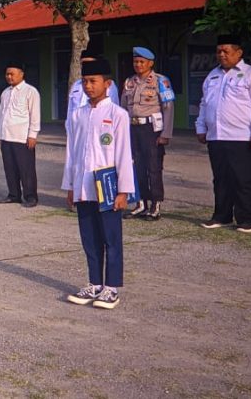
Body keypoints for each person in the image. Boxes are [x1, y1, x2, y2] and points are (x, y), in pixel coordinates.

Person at [63, 58, 134, 310]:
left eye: (93, 81)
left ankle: (111, 288)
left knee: (110, 237)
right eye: (84, 82)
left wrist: (124, 190)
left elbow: (124, 154)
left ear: (107, 83)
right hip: (83, 185)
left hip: (108, 186)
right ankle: (94, 283)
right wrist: (69, 185)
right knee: (90, 238)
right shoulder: (78, 115)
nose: (88, 86)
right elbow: (72, 153)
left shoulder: (118, 115)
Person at [196, 35, 251, 233]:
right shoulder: (212, 75)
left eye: (226, 51)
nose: (221, 55)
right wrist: (201, 127)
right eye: (219, 51)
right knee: (220, 179)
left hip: (241, 136)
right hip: (216, 136)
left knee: (244, 179)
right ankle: (222, 215)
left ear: (238, 52)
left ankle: (248, 219)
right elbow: (204, 103)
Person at [121, 46, 175, 220]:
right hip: (133, 128)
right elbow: (122, 108)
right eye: (135, 62)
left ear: (150, 63)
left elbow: (168, 108)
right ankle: (141, 203)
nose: (138, 65)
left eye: (141, 62)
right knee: (137, 168)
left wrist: (165, 133)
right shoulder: (130, 82)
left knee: (154, 168)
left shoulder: (160, 81)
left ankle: (155, 204)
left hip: (151, 130)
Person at [0, 62, 41, 207]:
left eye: (12, 74)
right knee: (10, 167)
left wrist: (32, 134)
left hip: (22, 137)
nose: (9, 77)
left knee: (26, 168)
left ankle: (30, 196)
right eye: (7, 74)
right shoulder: (5, 92)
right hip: (6, 135)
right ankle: (14, 194)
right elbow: (1, 113)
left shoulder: (30, 91)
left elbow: (35, 115)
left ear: (21, 74)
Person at [66, 53, 119, 133]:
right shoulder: (76, 85)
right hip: (78, 128)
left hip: (100, 128)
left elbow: (114, 107)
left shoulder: (108, 85)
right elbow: (70, 109)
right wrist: (69, 129)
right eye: (83, 64)